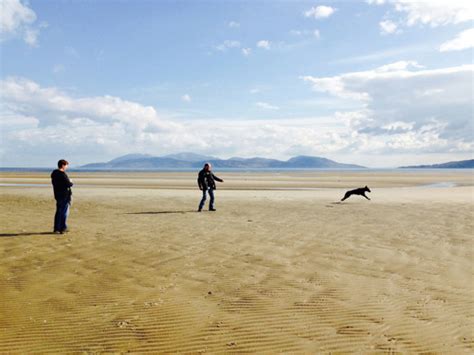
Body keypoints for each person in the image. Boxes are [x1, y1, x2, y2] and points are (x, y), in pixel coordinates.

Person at [51, 159, 73, 234]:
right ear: (63, 165)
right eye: (66, 165)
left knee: (59, 212)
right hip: (64, 196)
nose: (67, 167)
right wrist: (71, 182)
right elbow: (68, 184)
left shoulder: (54, 173)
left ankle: (57, 228)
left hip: (58, 195)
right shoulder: (62, 174)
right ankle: (62, 228)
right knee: (64, 212)